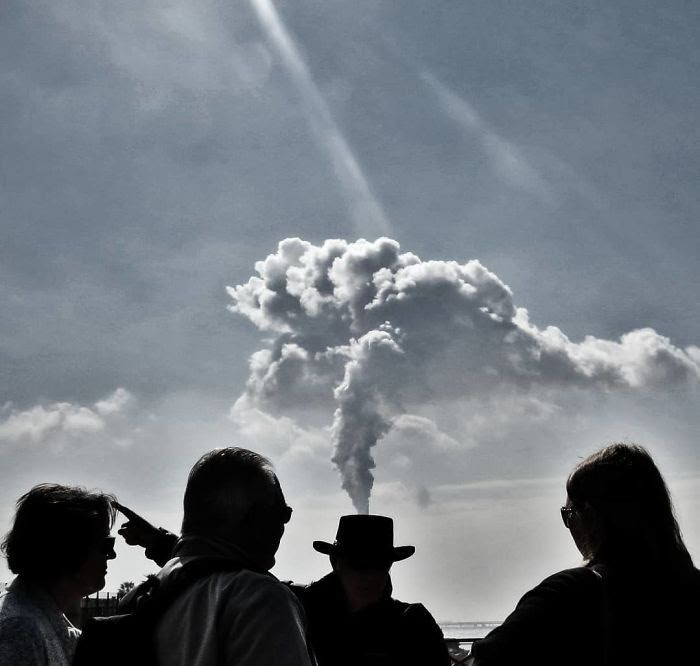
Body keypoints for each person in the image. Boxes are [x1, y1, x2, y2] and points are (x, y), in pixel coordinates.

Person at [467, 443, 700, 666]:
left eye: (568, 514)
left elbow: (488, 659)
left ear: (589, 514)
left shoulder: (568, 594)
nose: (568, 526)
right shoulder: (691, 590)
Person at [137, 447, 312, 666]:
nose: (283, 525)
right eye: (282, 513)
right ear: (255, 518)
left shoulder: (141, 597)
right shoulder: (260, 600)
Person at [293, 514, 450, 666]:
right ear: (336, 564)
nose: (368, 576)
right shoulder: (299, 612)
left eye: (378, 566)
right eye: (357, 566)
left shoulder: (416, 625)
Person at [0, 483, 117, 666]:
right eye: (106, 545)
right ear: (70, 549)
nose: (112, 555)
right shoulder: (21, 629)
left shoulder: (40, 615)